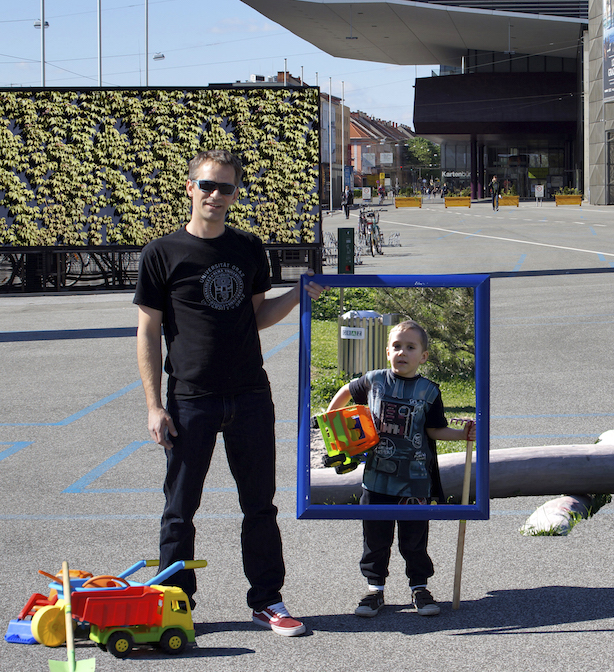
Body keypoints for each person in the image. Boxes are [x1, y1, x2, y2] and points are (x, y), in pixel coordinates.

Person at [135, 149, 324, 637]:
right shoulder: (162, 252)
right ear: (189, 188)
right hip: (191, 400)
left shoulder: (248, 248)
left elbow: (257, 317)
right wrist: (155, 406)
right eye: (207, 185)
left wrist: (299, 295)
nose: (216, 195)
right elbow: (148, 332)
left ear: (236, 194)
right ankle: (173, 605)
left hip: (249, 396)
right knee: (180, 508)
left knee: (259, 505)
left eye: (226, 188)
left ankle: (267, 601)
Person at [326, 320, 475, 618]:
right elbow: (346, 389)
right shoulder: (374, 381)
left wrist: (462, 435)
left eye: (410, 347)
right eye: (396, 346)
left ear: (424, 356)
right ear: (386, 351)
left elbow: (434, 430)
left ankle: (420, 588)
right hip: (377, 480)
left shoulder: (429, 391)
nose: (402, 352)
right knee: (375, 539)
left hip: (415, 484)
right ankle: (374, 590)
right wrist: (332, 418)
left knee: (414, 539)